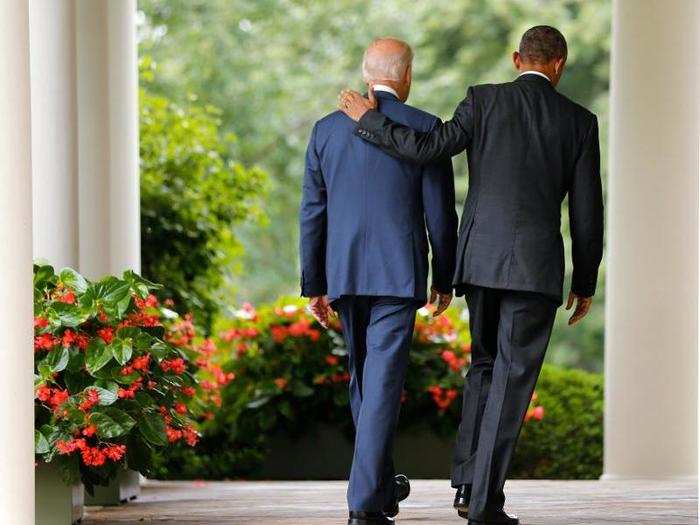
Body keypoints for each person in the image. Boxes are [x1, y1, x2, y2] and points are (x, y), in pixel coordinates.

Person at [338, 26, 604, 525]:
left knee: (483, 367)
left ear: (515, 58)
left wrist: (371, 123)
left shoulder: (482, 100)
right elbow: (588, 213)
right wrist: (585, 280)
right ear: (560, 64)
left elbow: (427, 149)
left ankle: (466, 483)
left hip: (478, 262)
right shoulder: (580, 121)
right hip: (534, 269)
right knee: (512, 379)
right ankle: (483, 503)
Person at [299, 37, 458, 525]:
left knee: (365, 381)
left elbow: (313, 212)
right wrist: (445, 275)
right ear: (405, 75)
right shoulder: (426, 128)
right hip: (398, 273)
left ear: (366, 74)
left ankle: (382, 485)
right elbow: (440, 214)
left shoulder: (326, 131)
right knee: (381, 383)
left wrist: (314, 282)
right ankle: (364, 505)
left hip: (344, 273)